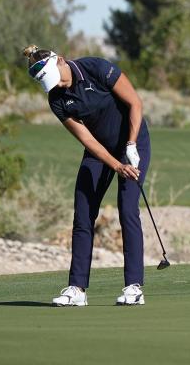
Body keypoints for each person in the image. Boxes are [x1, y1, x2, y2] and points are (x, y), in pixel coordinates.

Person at [23, 45, 151, 306]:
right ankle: (77, 289)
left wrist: (130, 145)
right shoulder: (56, 100)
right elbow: (87, 139)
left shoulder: (96, 68)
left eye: (52, 77)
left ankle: (133, 287)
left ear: (60, 60)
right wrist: (116, 165)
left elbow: (135, 103)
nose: (54, 86)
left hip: (133, 142)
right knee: (83, 213)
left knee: (127, 209)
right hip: (99, 151)